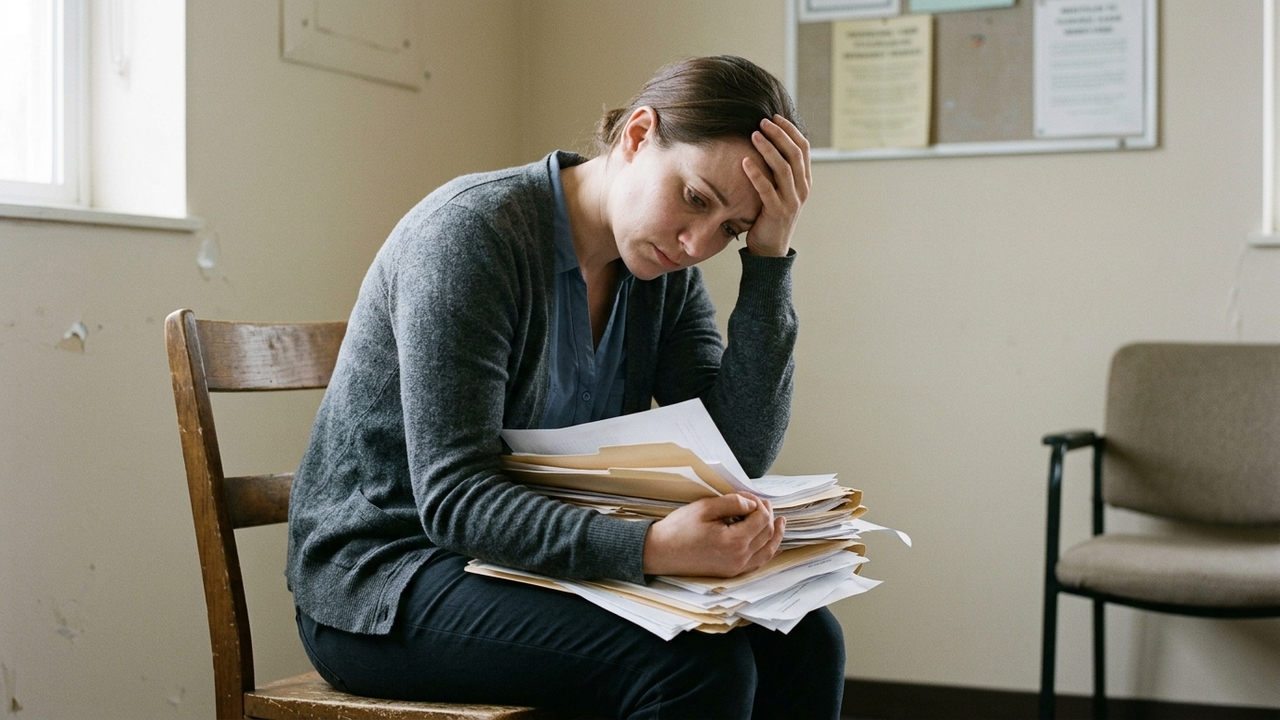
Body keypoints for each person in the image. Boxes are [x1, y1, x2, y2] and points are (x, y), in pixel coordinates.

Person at [285, 55, 844, 719]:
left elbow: (737, 451)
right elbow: (455, 500)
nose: (697, 243)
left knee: (807, 639)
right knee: (694, 666)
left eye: (731, 228)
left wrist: (769, 258)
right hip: (388, 580)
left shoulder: (661, 271)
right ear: (638, 136)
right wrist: (653, 548)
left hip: (522, 566)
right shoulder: (472, 236)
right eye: (694, 197)